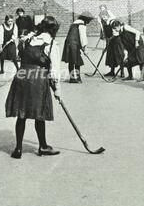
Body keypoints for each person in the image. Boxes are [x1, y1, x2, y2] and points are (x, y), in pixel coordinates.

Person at [5, 16, 62, 159]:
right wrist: (57, 90)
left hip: (22, 77)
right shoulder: (51, 44)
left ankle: (18, 149)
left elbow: (20, 53)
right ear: (53, 30)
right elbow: (54, 70)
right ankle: (43, 147)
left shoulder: (29, 39)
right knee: (39, 114)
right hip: (38, 80)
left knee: (21, 114)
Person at [61, 12, 93, 83]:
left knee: (72, 61)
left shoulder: (74, 23)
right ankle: (77, 78)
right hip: (74, 44)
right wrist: (85, 48)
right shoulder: (82, 25)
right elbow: (83, 37)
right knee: (77, 61)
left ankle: (73, 78)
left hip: (68, 43)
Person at [99, 5, 117, 77]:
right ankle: (112, 71)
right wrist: (107, 43)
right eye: (103, 17)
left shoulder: (112, 22)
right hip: (110, 41)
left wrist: (110, 39)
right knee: (111, 56)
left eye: (105, 17)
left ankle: (122, 72)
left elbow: (116, 33)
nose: (104, 18)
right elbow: (105, 32)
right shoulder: (104, 23)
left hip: (116, 41)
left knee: (118, 56)